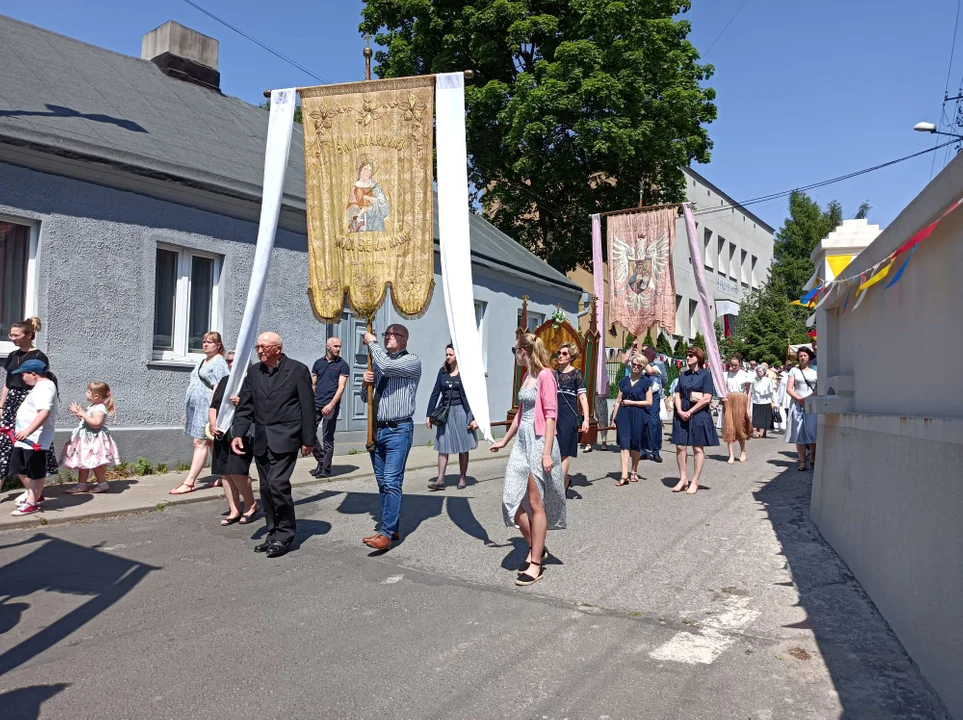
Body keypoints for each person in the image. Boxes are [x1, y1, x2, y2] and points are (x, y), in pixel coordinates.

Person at [490, 333, 566, 587]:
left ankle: (536, 563)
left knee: (535, 504)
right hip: (521, 444)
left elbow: (551, 416)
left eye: (514, 351)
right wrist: (504, 440)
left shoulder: (545, 376)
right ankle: (537, 546)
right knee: (511, 501)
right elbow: (520, 414)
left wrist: (545, 452)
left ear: (524, 351)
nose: (514, 356)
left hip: (538, 442)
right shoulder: (527, 377)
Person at [232, 332, 315, 558]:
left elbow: (308, 407)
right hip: (262, 439)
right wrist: (238, 433)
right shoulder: (254, 372)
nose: (259, 351)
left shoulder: (297, 370)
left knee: (278, 484)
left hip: (286, 437)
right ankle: (273, 533)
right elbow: (246, 407)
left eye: (263, 347)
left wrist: (308, 440)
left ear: (277, 349)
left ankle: (286, 534)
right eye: (258, 347)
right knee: (266, 488)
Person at [359, 324, 422, 551]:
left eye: (394, 334)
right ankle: (391, 525)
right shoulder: (378, 361)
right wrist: (365, 383)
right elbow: (366, 399)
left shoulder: (411, 361)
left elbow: (386, 366)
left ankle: (385, 534)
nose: (388, 337)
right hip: (378, 430)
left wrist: (371, 342)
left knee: (392, 480)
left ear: (404, 340)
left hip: (398, 430)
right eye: (386, 334)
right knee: (382, 482)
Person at [170, 332, 229, 495]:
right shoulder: (203, 361)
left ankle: (189, 483)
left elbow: (220, 387)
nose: (205, 344)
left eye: (210, 342)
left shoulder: (219, 362)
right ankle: (226, 476)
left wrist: (213, 412)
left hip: (207, 408)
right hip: (197, 408)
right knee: (212, 443)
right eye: (204, 342)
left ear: (218, 345)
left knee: (200, 442)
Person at [1, 317, 57, 482]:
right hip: (11, 404)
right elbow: (7, 383)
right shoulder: (13, 355)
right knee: (4, 445)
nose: (12, 338)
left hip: (27, 404)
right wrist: (1, 407)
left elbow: (40, 385)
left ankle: (34, 492)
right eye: (11, 335)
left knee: (26, 446)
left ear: (28, 335)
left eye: (16, 335)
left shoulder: (39, 356)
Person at [210, 350, 258, 526]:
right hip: (222, 432)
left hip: (241, 432)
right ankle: (234, 509)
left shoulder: (252, 381)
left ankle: (251, 505)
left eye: (233, 361)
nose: (230, 364)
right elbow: (213, 406)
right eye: (228, 361)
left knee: (238, 471)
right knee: (225, 473)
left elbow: (263, 406)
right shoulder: (224, 381)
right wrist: (213, 423)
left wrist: (244, 402)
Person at [7, 359, 58, 516]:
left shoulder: (45, 387)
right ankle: (35, 495)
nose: (22, 378)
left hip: (35, 438)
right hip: (24, 438)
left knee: (35, 471)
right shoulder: (39, 387)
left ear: (33, 374)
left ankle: (32, 503)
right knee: (18, 467)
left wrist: (28, 431)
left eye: (23, 374)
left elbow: (44, 412)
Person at [426, 344, 477, 491]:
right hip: (445, 413)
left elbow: (474, 396)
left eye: (450, 354)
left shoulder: (466, 373)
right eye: (446, 354)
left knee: (463, 446)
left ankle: (462, 477)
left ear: (457, 356)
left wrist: (475, 418)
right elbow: (435, 393)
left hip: (462, 412)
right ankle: (440, 479)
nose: (447, 357)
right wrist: (429, 414)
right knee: (443, 444)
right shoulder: (442, 372)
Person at [670, 347, 719, 494]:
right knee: (680, 446)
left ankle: (695, 481)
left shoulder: (705, 375)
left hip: (698, 414)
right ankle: (683, 479)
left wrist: (690, 411)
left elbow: (707, 398)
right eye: (687, 355)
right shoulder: (683, 375)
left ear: (698, 357)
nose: (688, 357)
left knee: (697, 448)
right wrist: (679, 410)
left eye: (691, 355)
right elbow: (677, 394)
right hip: (682, 412)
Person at [63, 382, 119, 494]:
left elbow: (96, 423)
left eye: (88, 392)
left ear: (96, 395)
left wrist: (83, 414)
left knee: (96, 463)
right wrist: (79, 414)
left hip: (94, 440)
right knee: (84, 462)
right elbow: (87, 421)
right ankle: (81, 485)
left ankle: (103, 484)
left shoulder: (100, 408)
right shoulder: (92, 406)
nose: (86, 393)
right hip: (86, 439)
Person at [310, 337, 350, 478]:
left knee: (327, 437)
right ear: (327, 346)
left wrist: (331, 404)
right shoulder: (318, 363)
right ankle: (322, 460)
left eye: (339, 346)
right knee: (308, 432)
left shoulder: (342, 365)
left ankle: (326, 469)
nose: (338, 349)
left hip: (331, 405)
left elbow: (341, 387)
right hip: (316, 403)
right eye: (335, 346)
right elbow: (313, 385)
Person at [611, 355, 653, 486]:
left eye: (639, 365)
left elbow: (649, 402)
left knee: (635, 444)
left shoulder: (646, 382)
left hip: (638, 414)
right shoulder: (624, 381)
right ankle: (624, 475)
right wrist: (614, 419)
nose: (635, 367)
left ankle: (634, 470)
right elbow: (618, 400)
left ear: (643, 367)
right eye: (634, 364)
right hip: (623, 414)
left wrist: (632, 402)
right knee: (624, 444)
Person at [554, 342, 589, 495]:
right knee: (551, 451)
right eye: (559, 353)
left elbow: (582, 397)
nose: (560, 356)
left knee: (563, 452)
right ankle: (564, 480)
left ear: (571, 357)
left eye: (564, 354)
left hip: (568, 416)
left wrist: (586, 419)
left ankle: (560, 489)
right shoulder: (553, 374)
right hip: (553, 416)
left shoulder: (576, 374)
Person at [785, 346, 817, 472]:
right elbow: (789, 388)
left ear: (809, 357)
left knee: (811, 430)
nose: (802, 358)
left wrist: (808, 398)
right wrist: (799, 398)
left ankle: (813, 456)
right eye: (800, 356)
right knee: (799, 433)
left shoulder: (815, 372)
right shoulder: (794, 370)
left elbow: (818, 388)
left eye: (804, 355)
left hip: (811, 403)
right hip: (798, 404)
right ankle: (802, 461)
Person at [722, 354, 752, 464]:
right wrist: (723, 398)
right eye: (731, 365)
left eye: (735, 365)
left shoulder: (745, 375)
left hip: (741, 400)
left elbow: (748, 392)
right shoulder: (726, 375)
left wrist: (748, 407)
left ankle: (743, 451)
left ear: (740, 363)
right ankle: (731, 454)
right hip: (729, 400)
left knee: (740, 427)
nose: (733, 367)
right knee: (729, 428)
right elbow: (722, 389)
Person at [640, 347, 667, 462]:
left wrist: (642, 361)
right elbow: (625, 362)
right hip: (641, 396)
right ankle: (642, 451)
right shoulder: (639, 364)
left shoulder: (658, 365)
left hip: (654, 396)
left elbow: (651, 372)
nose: (644, 354)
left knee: (654, 423)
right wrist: (632, 348)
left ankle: (655, 451)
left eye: (646, 353)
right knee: (641, 423)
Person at [750, 363, 775, 439]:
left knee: (766, 418)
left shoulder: (768, 380)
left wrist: (774, 401)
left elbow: (772, 392)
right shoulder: (754, 380)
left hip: (766, 401)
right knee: (757, 417)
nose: (759, 372)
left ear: (764, 372)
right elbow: (751, 391)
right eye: (757, 371)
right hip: (756, 401)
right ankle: (758, 432)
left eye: (760, 371)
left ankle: (764, 432)